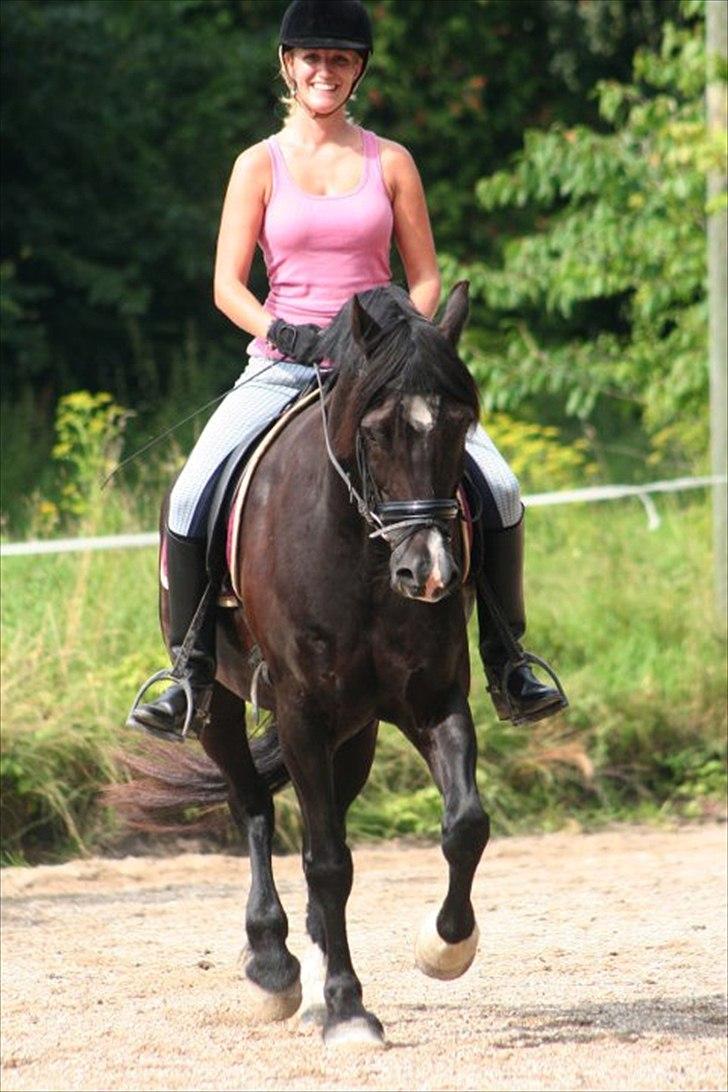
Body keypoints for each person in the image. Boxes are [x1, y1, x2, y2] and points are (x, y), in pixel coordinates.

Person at [127, 0, 566, 740]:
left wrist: (400, 340)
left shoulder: (389, 161)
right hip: (284, 362)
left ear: (357, 70)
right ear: (287, 67)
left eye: (339, 60)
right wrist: (287, 335)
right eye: (311, 59)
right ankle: (190, 670)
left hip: (384, 367)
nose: (323, 72)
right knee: (190, 492)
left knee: (500, 484)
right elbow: (226, 286)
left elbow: (424, 278)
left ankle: (508, 657)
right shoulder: (257, 165)